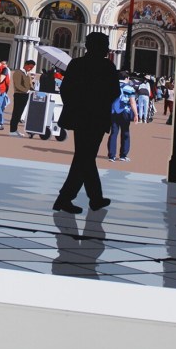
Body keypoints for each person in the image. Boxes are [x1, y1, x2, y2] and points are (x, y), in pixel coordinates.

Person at [53, 32, 121, 214]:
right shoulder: (107, 67)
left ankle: (94, 198)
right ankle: (66, 198)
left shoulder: (76, 64)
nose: (107, 48)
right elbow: (114, 92)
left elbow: (65, 89)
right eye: (105, 44)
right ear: (100, 47)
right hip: (97, 118)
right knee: (86, 158)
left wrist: (75, 106)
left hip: (79, 117)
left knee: (84, 157)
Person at [108, 72, 138, 161]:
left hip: (114, 111)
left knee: (114, 132)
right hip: (125, 111)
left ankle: (112, 155)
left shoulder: (112, 86)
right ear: (126, 78)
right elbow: (132, 102)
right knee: (125, 133)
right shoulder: (130, 88)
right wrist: (136, 114)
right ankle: (123, 155)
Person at [8, 59, 36, 137]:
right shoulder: (18, 72)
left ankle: (15, 130)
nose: (31, 69)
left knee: (20, 113)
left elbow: (30, 84)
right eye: (30, 67)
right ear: (26, 65)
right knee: (16, 113)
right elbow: (17, 85)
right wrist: (27, 90)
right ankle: (12, 130)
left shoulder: (28, 74)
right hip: (19, 95)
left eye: (32, 68)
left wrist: (33, 90)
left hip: (25, 95)